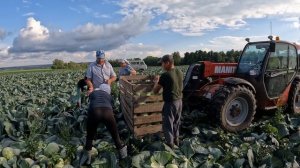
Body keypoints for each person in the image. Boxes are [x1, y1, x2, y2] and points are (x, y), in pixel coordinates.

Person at [81, 84, 127, 165]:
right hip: (108, 113)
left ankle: (87, 161)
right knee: (116, 137)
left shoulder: (93, 93)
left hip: (94, 111)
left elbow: (90, 101)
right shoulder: (109, 96)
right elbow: (112, 107)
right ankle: (124, 159)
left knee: (89, 137)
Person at [152, 54, 183, 149]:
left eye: (162, 63)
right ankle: (176, 140)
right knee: (176, 122)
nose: (162, 66)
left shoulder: (165, 75)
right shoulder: (179, 71)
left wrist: (156, 81)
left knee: (168, 124)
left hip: (170, 103)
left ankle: (170, 145)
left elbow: (155, 91)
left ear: (168, 63)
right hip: (179, 101)